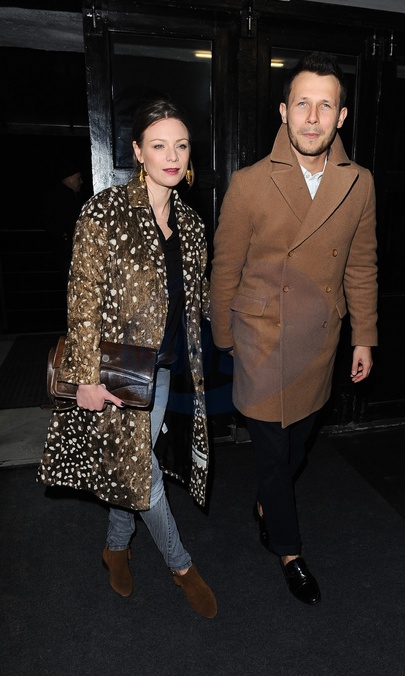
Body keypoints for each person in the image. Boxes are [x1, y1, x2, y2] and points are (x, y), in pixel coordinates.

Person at [38, 98, 217, 619]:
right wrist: (85, 378)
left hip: (163, 371)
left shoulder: (190, 223)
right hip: (115, 372)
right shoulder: (105, 211)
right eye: (159, 145)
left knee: (131, 466)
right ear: (138, 151)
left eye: (181, 145)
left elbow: (197, 299)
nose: (172, 156)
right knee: (143, 471)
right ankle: (182, 566)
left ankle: (116, 547)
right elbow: (82, 298)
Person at [210, 51, 378, 605]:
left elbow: (360, 266)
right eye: (302, 104)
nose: (312, 117)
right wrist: (225, 338)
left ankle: (267, 500)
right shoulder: (250, 183)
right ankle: (289, 550)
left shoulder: (359, 184)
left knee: (298, 444)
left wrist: (363, 336)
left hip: (319, 340)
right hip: (262, 340)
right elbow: (226, 268)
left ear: (341, 117)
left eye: (325, 106)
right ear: (283, 111)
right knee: (272, 454)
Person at [42, 150, 85, 278]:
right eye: (78, 178)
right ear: (70, 179)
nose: (81, 182)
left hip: (67, 251)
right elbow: (45, 219)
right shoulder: (62, 196)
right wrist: (63, 233)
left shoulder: (63, 195)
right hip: (67, 251)